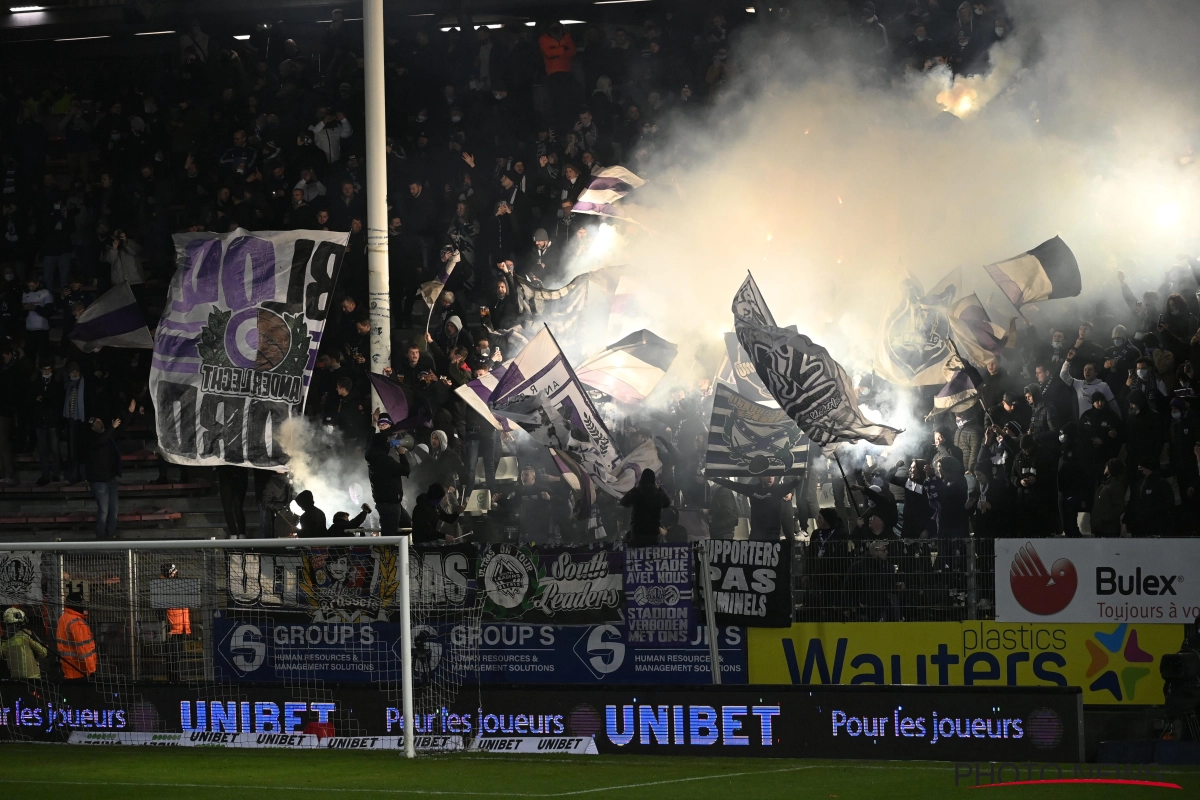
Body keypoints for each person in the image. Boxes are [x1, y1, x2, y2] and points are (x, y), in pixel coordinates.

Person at [709, 475, 800, 540]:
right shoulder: (753, 489)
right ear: (761, 476)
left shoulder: (778, 489)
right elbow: (734, 485)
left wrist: (800, 478)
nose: (770, 478)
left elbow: (792, 484)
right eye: (767, 475)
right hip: (756, 536)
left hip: (772, 537)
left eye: (772, 475)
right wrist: (713, 478)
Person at [366, 413, 410, 536]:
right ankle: (391, 553)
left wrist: (374, 422)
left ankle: (399, 550)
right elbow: (406, 470)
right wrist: (402, 454)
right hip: (390, 504)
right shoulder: (385, 461)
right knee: (389, 535)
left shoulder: (371, 454)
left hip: (390, 502)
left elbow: (369, 440)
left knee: (406, 523)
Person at [620, 468, 671, 545]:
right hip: (653, 532)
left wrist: (635, 488)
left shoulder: (636, 492)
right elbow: (667, 503)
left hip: (637, 532)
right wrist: (659, 489)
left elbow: (623, 502)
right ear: (654, 481)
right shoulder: (658, 494)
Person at [57, 588, 98, 681]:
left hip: (67, 670)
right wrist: (92, 670)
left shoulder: (64, 618)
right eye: (82, 604)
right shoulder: (77, 623)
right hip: (80, 671)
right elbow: (84, 650)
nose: (84, 607)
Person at [1, 607, 48, 680]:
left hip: (14, 681)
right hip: (33, 678)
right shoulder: (26, 634)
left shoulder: (3, 642)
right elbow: (44, 653)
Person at [1090, 458, 1127, 537]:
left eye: (1107, 466)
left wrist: (1104, 519)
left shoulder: (1116, 485)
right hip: (1101, 528)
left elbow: (1119, 507)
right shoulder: (1107, 483)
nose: (1105, 467)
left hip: (1108, 530)